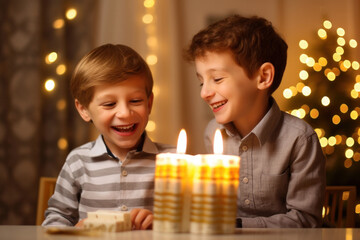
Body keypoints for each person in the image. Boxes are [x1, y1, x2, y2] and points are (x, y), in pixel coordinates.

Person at [185, 15, 326, 228]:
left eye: (217, 79)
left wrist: (238, 226)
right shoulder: (213, 132)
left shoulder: (300, 139)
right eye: (201, 82)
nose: (204, 92)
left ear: (263, 77)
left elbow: (305, 221)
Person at [42, 44, 175, 230]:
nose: (124, 113)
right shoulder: (77, 161)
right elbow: (55, 219)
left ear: (149, 102)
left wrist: (161, 223)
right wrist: (72, 231)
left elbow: (195, 221)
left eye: (135, 101)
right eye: (110, 104)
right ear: (84, 110)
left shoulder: (175, 161)